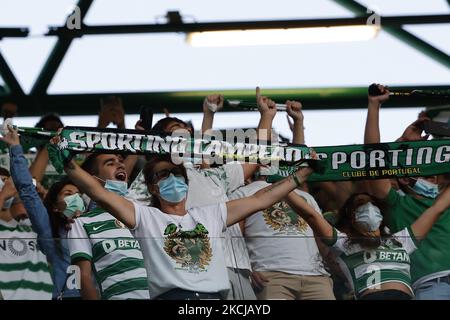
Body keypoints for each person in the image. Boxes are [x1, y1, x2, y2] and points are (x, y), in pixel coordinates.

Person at [62, 143, 316, 299]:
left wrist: (303, 172)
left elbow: (261, 198)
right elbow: (100, 193)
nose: (173, 178)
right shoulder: (146, 217)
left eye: (177, 173)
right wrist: (68, 164)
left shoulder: (211, 214)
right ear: (152, 187)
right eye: (164, 175)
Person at [364, 84, 450, 299]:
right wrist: (374, 107)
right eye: (423, 174)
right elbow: (373, 160)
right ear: (403, 179)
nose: (429, 178)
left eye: (433, 174)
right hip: (432, 285)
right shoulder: (397, 204)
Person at [1, 125, 80, 299]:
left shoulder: (93, 223)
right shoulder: (49, 230)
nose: (75, 198)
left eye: (78, 194)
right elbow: (27, 189)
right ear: (54, 207)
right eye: (68, 194)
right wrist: (15, 147)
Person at [67, 153, 150, 300]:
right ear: (92, 180)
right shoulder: (81, 222)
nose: (121, 165)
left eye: (120, 161)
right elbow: (83, 277)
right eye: (110, 163)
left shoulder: (144, 213)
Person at [0, 167, 53, 299]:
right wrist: (3, 196)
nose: (6, 187)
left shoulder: (30, 226)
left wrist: (43, 198)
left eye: (7, 182)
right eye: (1, 183)